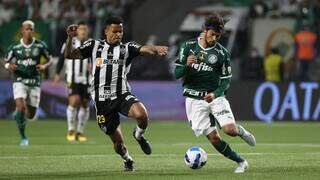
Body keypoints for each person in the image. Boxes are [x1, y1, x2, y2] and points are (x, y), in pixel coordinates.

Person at [64, 16, 168, 171]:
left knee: (142, 115)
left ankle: (138, 135)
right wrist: (70, 38)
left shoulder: (127, 48)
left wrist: (155, 49)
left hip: (121, 95)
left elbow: (143, 49)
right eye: (115, 31)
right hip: (102, 102)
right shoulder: (94, 45)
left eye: (121, 31)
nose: (119, 34)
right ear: (106, 31)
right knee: (118, 144)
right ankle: (127, 159)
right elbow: (69, 55)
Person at [174, 14, 256, 173]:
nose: (214, 38)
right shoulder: (188, 46)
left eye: (218, 36)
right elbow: (177, 73)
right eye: (212, 34)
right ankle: (241, 162)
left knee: (229, 131)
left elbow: (226, 80)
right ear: (204, 30)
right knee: (214, 139)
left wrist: (216, 93)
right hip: (194, 99)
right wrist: (186, 65)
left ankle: (241, 131)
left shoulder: (222, 53)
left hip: (214, 96)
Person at [2, 20, 52, 146]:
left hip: (34, 81)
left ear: (33, 31)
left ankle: (19, 116)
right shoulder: (14, 47)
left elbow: (50, 59)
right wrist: (8, 65)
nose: (29, 31)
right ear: (22, 31)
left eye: (31, 29)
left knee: (30, 115)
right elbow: (4, 61)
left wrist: (44, 66)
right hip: (19, 80)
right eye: (26, 29)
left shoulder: (40, 46)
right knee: (20, 105)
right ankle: (23, 137)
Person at [54, 22, 92, 142]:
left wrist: (96, 66)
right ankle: (71, 130)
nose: (83, 31)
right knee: (74, 100)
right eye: (81, 29)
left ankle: (80, 132)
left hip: (87, 79)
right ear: (77, 30)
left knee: (85, 104)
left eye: (85, 29)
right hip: (72, 77)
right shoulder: (70, 42)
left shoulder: (92, 43)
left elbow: (99, 59)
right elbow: (61, 58)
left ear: (88, 30)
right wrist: (57, 73)